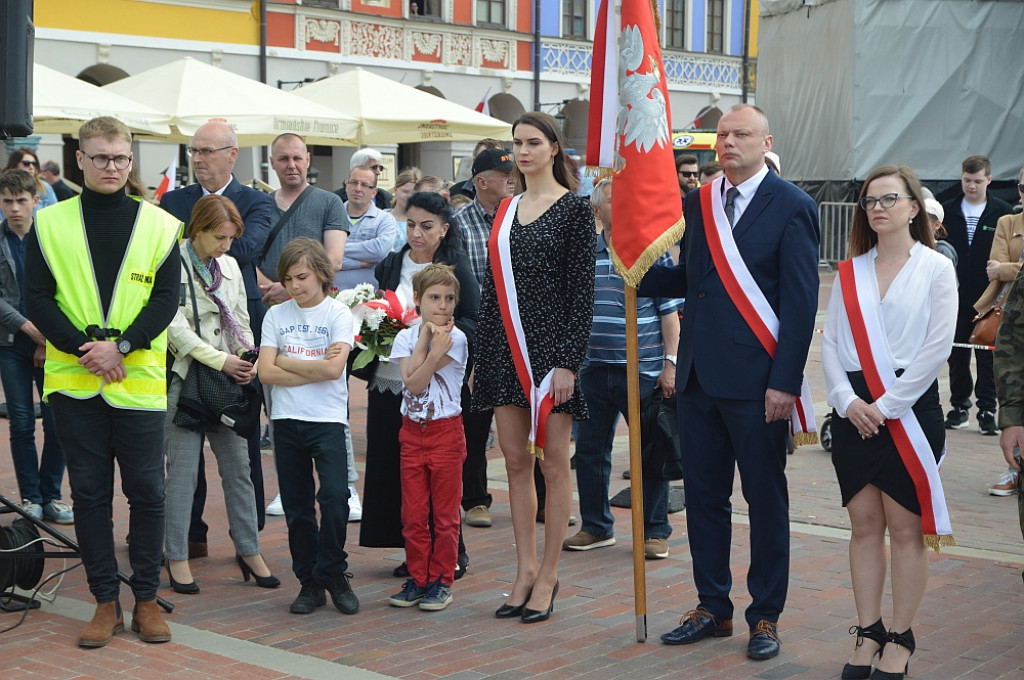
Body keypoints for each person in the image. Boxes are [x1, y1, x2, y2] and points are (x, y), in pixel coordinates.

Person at [640, 104, 819, 659]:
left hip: (759, 383)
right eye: (722, 134)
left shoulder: (793, 206)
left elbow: (801, 303)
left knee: (765, 502)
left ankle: (764, 615)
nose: (728, 142)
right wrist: (637, 264)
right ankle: (712, 605)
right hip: (697, 379)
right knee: (705, 500)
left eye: (741, 134)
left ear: (767, 140)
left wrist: (785, 383)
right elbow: (694, 277)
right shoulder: (699, 202)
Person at [26, 116, 181, 646]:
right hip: (74, 383)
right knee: (89, 496)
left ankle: (144, 601)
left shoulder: (160, 225)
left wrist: (123, 345)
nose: (111, 166)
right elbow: (37, 299)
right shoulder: (50, 222)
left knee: (147, 493)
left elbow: (166, 301)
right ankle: (103, 602)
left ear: (130, 161)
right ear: (81, 160)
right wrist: (85, 349)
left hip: (136, 381)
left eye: (120, 158)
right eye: (100, 157)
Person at [822, 165, 957, 680]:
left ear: (913, 207)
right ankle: (867, 630)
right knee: (863, 526)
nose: (877, 208)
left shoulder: (935, 268)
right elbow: (832, 342)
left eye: (889, 199)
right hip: (854, 411)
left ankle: (900, 636)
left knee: (904, 529)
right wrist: (844, 399)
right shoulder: (851, 269)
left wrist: (888, 405)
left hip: (908, 410)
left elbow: (936, 348)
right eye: (869, 201)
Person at [472, 111, 596, 624]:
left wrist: (569, 363)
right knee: (515, 463)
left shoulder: (575, 211)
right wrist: (481, 355)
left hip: (551, 357)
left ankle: (548, 574)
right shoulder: (505, 210)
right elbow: (488, 289)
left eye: (532, 143)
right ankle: (522, 571)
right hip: (504, 349)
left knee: (552, 462)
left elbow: (580, 294)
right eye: (516, 143)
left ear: (553, 149)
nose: (522, 152)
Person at [160, 121, 275, 557]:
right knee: (186, 462)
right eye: (194, 151)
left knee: (241, 446)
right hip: (189, 348)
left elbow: (247, 251)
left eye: (207, 151)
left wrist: (243, 354)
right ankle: (190, 538)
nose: (199, 159)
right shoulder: (172, 200)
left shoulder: (257, 202)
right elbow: (164, 258)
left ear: (232, 153)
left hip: (237, 338)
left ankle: (250, 538)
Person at [562, 178, 682, 559]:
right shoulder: (584, 254)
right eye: (615, 201)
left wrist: (670, 365)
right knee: (590, 451)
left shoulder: (652, 254)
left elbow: (670, 317)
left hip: (643, 371)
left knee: (650, 450)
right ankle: (596, 526)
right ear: (597, 210)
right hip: (593, 370)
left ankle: (655, 531)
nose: (624, 207)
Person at [359, 192, 478, 573]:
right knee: (396, 467)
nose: (416, 233)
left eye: (426, 226)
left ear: (444, 229)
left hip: (435, 381)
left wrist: (431, 336)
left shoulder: (456, 265)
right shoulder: (392, 263)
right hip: (389, 378)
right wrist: (377, 329)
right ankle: (414, 551)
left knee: (439, 474)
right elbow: (375, 310)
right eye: (410, 225)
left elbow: (474, 321)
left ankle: (450, 553)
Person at [257, 133, 358, 520]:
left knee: (332, 405)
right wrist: (270, 290)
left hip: (318, 313)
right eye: (283, 158)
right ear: (272, 161)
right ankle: (290, 487)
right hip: (274, 312)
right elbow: (248, 253)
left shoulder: (328, 202)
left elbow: (332, 259)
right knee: (278, 406)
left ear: (308, 158)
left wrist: (286, 287)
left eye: (297, 157)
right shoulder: (261, 206)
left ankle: (346, 485)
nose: (291, 165)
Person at [258, 238, 359, 617]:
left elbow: (334, 371)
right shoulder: (276, 315)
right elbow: (265, 372)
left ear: (319, 271)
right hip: (286, 421)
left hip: (328, 421)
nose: (295, 286)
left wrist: (287, 360)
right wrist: (310, 368)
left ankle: (332, 571)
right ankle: (309, 582)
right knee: (297, 508)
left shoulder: (338, 314)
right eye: (288, 279)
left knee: (335, 499)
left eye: (301, 277)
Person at [387, 264, 469, 612]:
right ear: (418, 300)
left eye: (450, 299)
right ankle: (418, 579)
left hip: (445, 434)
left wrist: (435, 350)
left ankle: (441, 580)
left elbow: (416, 381)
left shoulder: (458, 338)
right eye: (434, 298)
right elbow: (410, 380)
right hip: (411, 432)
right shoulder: (404, 337)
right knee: (414, 514)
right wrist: (425, 339)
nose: (443, 306)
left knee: (446, 516)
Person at [0, 169, 71, 524]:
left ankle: (51, 495)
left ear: (35, 201)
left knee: (57, 422)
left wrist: (47, 337)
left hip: (53, 342)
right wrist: (29, 328)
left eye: (21, 201)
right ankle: (30, 497)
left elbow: (64, 288)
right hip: (12, 342)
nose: (14, 208)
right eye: (7, 201)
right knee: (21, 422)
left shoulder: (50, 238)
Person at [453, 147, 516, 529]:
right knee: (474, 422)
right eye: (502, 175)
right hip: (477, 335)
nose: (510, 181)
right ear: (481, 181)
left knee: (527, 419)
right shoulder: (458, 224)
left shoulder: (522, 217)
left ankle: (542, 498)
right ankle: (476, 499)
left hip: (521, 334)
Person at [942, 154, 1013, 435]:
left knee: (986, 355)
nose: (971, 186)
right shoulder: (948, 211)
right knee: (956, 353)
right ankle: (959, 406)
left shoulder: (1002, 213)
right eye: (967, 180)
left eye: (977, 181)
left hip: (989, 297)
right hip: (955, 297)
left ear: (989, 180)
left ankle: (987, 409)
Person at [981, 166, 1024, 495]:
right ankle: (1014, 470)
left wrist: (1009, 268)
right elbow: (994, 268)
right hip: (1012, 315)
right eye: (1022, 188)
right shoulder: (1010, 223)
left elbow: (1004, 267)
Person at [334, 166, 397, 291]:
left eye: (364, 185)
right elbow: (321, 255)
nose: (357, 188)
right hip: (331, 295)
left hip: (369, 298)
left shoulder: (385, 219)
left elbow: (380, 251)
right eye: (353, 183)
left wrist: (336, 249)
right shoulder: (331, 216)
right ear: (346, 185)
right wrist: (360, 263)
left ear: (374, 192)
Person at [3, 148, 58, 214]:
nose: (31, 167)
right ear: (15, 164)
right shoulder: (3, 186)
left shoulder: (44, 187)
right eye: (26, 163)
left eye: (34, 164)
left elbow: (55, 212)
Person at [387, 167, 423, 252]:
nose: (409, 196)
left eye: (414, 193)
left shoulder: (423, 220)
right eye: (405, 191)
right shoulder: (382, 217)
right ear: (395, 190)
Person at [924, 198, 957, 266]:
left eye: (923, 220)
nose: (917, 224)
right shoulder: (910, 248)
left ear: (937, 225)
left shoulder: (943, 251)